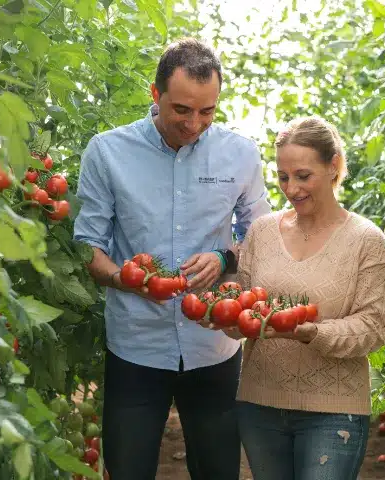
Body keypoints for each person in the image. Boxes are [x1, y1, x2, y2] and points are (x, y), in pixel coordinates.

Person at [72, 37, 271, 480]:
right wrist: (128, 280)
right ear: (155, 94)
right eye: (182, 110)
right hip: (136, 345)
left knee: (219, 469)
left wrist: (225, 258)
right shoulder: (107, 152)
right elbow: (87, 246)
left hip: (213, 345)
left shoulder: (240, 153)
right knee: (127, 469)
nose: (194, 124)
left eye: (207, 111)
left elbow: (262, 235)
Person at [204, 116, 385, 479]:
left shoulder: (368, 243)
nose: (291, 189)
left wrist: (313, 332)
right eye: (283, 177)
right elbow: (247, 309)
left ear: (334, 166)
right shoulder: (262, 232)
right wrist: (223, 316)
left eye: (303, 175)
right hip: (259, 404)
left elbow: (373, 328)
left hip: (334, 412)